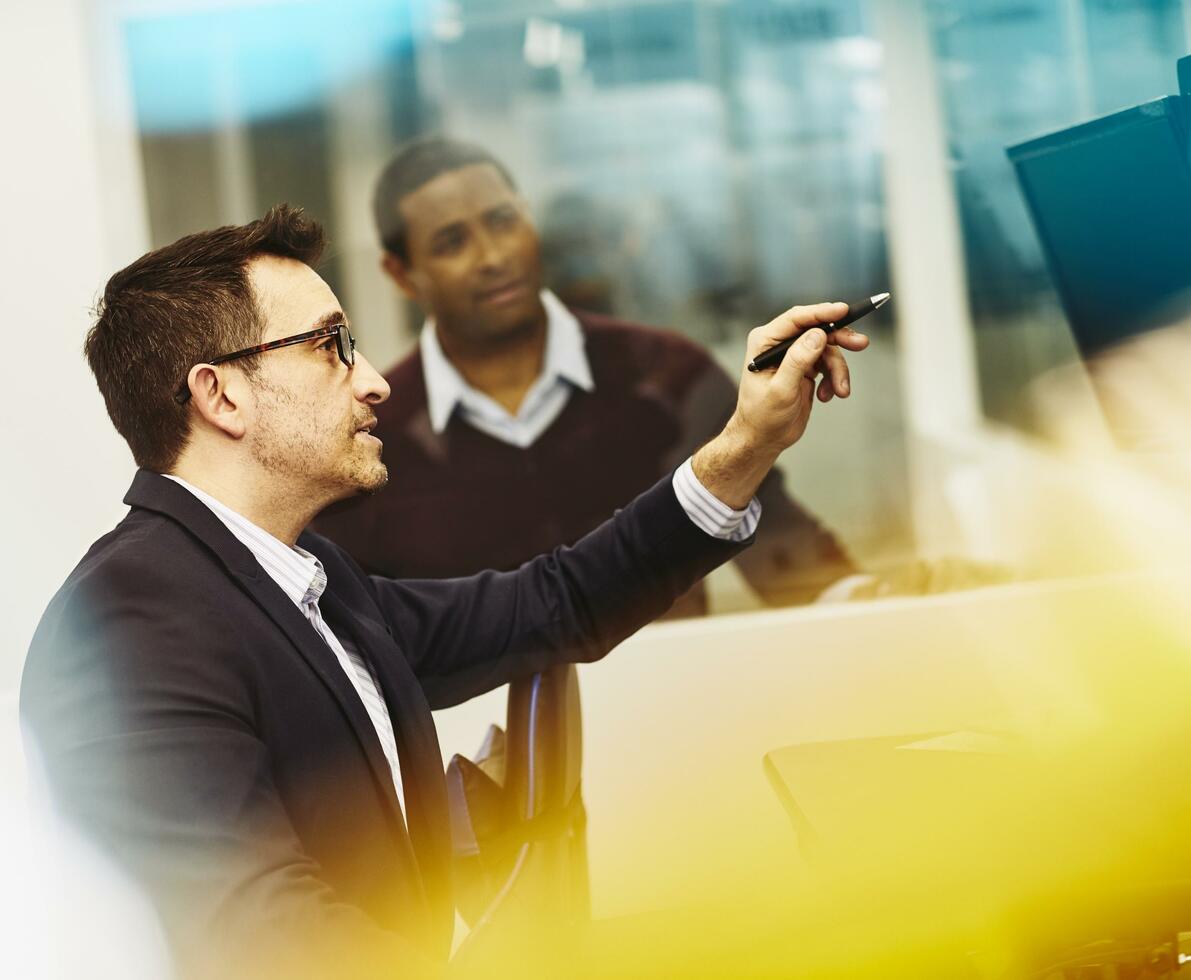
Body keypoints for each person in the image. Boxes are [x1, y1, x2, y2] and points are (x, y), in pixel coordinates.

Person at [19, 205, 867, 978]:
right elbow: (265, 939)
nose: (373, 380)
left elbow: (555, 604)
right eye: (328, 346)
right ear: (221, 394)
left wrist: (746, 443)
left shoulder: (304, 579)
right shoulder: (132, 626)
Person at [312, 137, 857, 616]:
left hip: (684, 713)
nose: (493, 256)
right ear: (401, 273)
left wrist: (877, 603)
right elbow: (357, 634)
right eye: (453, 242)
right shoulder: (372, 429)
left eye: (503, 222)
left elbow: (790, 559)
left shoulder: (668, 377)